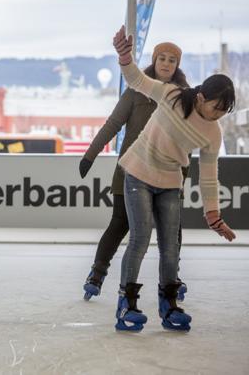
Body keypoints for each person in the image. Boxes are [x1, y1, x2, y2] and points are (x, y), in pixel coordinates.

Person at [112, 25, 236, 332]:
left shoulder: (213, 133)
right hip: (138, 172)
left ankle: (169, 305)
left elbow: (208, 176)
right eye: (215, 108)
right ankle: (126, 303)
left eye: (223, 112)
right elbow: (137, 80)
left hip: (169, 181)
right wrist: (124, 57)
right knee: (141, 238)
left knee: (171, 246)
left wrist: (213, 214)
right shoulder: (171, 95)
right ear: (202, 97)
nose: (217, 115)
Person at [79, 41, 190, 301]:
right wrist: (89, 155)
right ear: (154, 60)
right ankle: (97, 273)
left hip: (166, 173)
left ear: (177, 65)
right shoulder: (136, 90)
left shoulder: (183, 97)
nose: (166, 64)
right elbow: (113, 124)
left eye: (171, 60)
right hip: (131, 170)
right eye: (161, 58)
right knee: (121, 223)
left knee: (173, 230)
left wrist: (184, 174)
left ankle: (172, 277)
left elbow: (188, 139)